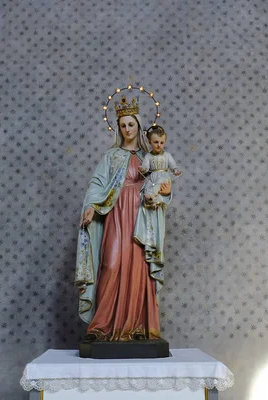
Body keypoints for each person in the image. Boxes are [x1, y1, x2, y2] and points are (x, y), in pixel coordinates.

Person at [75, 95, 171, 342]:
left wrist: (163, 193)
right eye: (122, 125)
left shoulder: (149, 156)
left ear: (139, 125)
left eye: (131, 124)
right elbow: (97, 183)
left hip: (142, 218)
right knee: (112, 263)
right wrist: (92, 206)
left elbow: (162, 183)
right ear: (118, 128)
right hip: (117, 213)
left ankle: (138, 327)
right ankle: (102, 327)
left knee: (139, 269)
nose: (127, 129)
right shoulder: (112, 156)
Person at [138, 125, 182, 208]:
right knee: (148, 185)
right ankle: (150, 199)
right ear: (150, 142)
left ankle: (153, 196)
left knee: (160, 183)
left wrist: (176, 171)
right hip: (152, 176)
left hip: (163, 176)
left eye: (162, 143)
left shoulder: (167, 155)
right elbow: (146, 167)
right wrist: (143, 169)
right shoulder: (148, 156)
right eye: (156, 142)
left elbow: (173, 166)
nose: (159, 145)